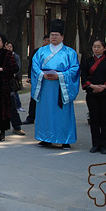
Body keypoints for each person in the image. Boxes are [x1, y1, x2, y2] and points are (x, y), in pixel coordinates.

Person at [31, 19, 80, 150]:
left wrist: (59, 75)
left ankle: (65, 139)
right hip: (45, 86)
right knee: (45, 112)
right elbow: (35, 66)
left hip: (61, 87)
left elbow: (74, 69)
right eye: (52, 35)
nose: (53, 37)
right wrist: (43, 75)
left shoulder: (70, 52)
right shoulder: (41, 52)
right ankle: (45, 138)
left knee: (62, 113)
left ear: (62, 37)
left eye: (56, 35)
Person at [80, 40, 106, 154]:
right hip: (92, 94)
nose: (96, 49)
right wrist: (91, 86)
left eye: (99, 47)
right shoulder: (88, 61)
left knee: (104, 120)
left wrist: (105, 86)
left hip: (105, 94)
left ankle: (104, 145)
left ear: (104, 48)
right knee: (94, 120)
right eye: (94, 47)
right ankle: (95, 144)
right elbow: (84, 75)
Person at [0, 33, 18, 142]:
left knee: (4, 108)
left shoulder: (8, 54)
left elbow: (14, 68)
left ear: (3, 43)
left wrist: (1, 69)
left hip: (4, 85)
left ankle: (2, 132)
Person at [23, 35, 50, 124]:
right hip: (37, 78)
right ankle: (31, 117)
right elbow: (31, 65)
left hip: (49, 79)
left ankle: (46, 118)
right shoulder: (37, 51)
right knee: (34, 98)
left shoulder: (53, 53)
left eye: (48, 40)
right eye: (45, 40)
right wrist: (30, 77)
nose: (47, 42)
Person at [5, 41, 25, 136]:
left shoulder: (13, 57)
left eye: (10, 46)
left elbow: (16, 69)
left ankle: (17, 127)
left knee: (12, 105)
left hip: (9, 83)